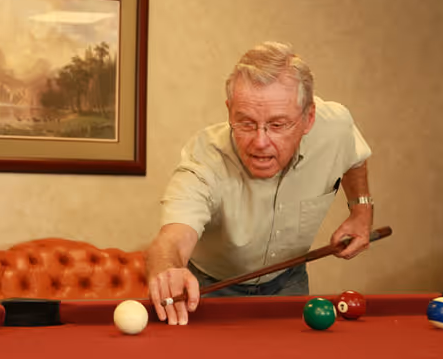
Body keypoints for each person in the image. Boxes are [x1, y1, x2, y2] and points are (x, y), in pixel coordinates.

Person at [146, 42, 374, 325]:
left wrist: (360, 210)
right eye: (246, 123)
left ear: (308, 118)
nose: (260, 141)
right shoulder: (204, 159)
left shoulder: (334, 126)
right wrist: (168, 269)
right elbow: (172, 239)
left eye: (278, 125)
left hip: (288, 281)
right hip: (211, 288)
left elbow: (354, 156)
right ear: (229, 111)